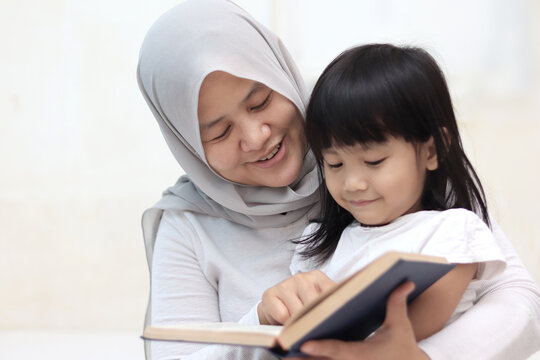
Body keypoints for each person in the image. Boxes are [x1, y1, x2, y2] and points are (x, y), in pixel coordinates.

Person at [136, 1, 540, 359]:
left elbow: (518, 303)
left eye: (261, 101)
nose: (257, 136)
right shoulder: (186, 225)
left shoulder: (378, 148)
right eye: (219, 132)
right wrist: (259, 320)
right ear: (186, 142)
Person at [258, 44, 505, 343]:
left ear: (432, 149)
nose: (352, 183)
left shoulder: (452, 232)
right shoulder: (319, 248)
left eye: (373, 161)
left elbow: (399, 340)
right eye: (334, 164)